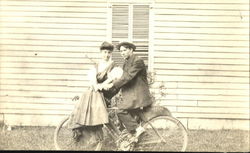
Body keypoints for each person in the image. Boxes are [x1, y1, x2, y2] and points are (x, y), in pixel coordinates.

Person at [67, 41, 122, 143]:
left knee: (90, 97)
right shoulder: (96, 66)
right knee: (86, 95)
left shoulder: (114, 66)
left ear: (111, 54)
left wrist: (101, 86)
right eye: (104, 52)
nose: (107, 55)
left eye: (109, 52)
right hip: (96, 92)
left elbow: (110, 80)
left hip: (106, 93)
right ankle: (80, 126)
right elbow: (92, 81)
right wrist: (95, 85)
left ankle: (90, 127)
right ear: (101, 53)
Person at [103, 41, 153, 141]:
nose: (122, 53)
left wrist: (113, 84)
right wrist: (109, 93)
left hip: (138, 94)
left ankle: (138, 129)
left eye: (124, 50)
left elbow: (127, 77)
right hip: (132, 93)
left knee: (120, 110)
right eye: (121, 51)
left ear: (131, 50)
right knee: (121, 111)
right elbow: (122, 80)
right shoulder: (126, 62)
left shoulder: (137, 61)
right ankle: (131, 137)